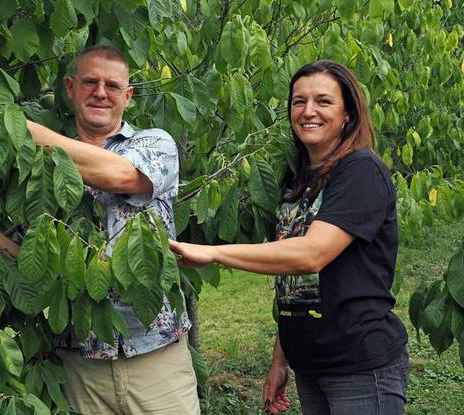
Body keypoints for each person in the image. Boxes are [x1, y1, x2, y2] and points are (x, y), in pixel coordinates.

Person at [0, 46, 199, 414]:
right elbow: (34, 264)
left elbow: (120, 175)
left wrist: (21, 129)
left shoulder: (155, 143)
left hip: (156, 357)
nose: (101, 93)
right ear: (70, 88)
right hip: (79, 364)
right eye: (90, 82)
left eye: (112, 85)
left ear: (128, 95)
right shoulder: (36, 166)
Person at [169, 60, 408, 415]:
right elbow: (294, 284)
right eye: (299, 101)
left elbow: (310, 255)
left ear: (348, 114)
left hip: (358, 363)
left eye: (323, 101)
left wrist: (214, 253)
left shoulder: (361, 170)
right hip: (310, 363)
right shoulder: (299, 179)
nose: (308, 111)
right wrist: (280, 360)